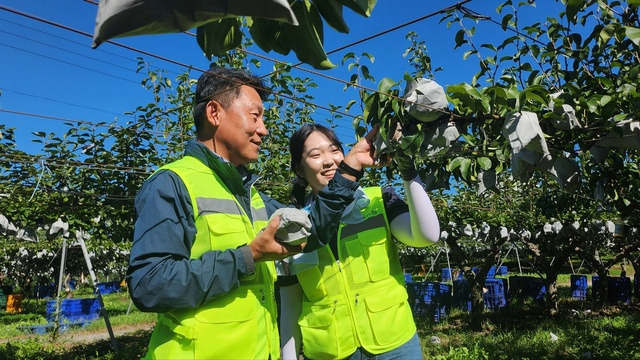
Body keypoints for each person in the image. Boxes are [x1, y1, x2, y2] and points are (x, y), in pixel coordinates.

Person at [127, 67, 381, 359]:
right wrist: (248, 257)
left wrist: (349, 169)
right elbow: (149, 284)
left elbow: (313, 231)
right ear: (215, 113)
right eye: (255, 116)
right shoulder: (173, 183)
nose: (264, 129)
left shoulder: (252, 196)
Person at [279, 124, 440, 360]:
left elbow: (426, 236)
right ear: (299, 170)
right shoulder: (294, 226)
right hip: (329, 352)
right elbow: (290, 307)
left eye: (335, 151)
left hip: (394, 345)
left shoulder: (377, 200)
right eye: (315, 155)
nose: (328, 161)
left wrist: (407, 168)